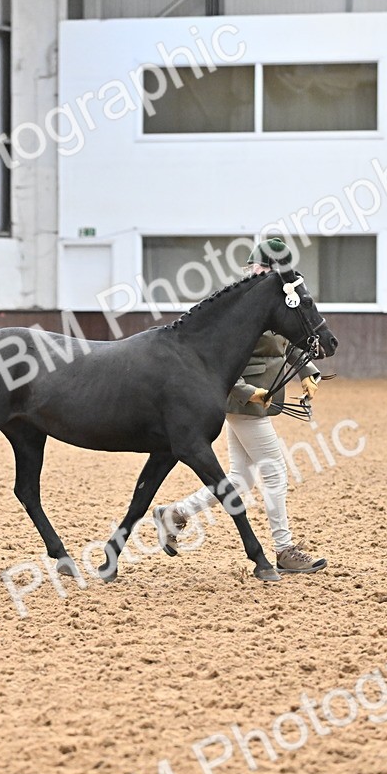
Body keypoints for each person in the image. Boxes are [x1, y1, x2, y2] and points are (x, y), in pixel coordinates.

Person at [153, 238, 328, 574]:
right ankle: (283, 548)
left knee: (240, 478)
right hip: (242, 400)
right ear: (254, 268)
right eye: (265, 268)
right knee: (275, 470)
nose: (270, 275)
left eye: (275, 270)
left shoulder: (271, 302)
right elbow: (213, 362)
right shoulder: (238, 307)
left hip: (258, 400)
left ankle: (175, 514)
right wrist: (247, 392)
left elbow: (286, 342)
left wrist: (308, 371)